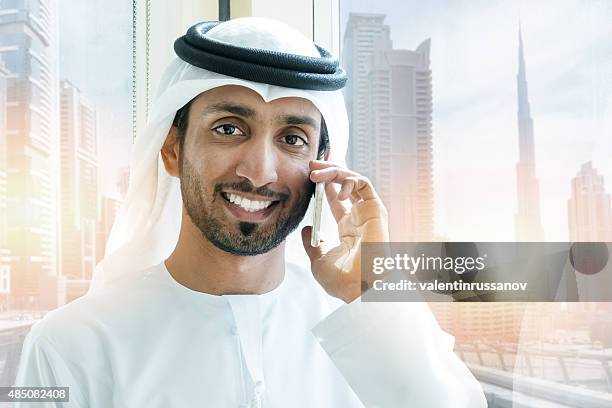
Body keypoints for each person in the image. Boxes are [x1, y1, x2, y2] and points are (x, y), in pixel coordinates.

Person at [14, 17, 486, 407]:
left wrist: (374, 292)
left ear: (320, 166)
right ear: (173, 149)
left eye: (292, 139)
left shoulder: (367, 328)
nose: (260, 173)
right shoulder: (68, 346)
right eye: (228, 128)